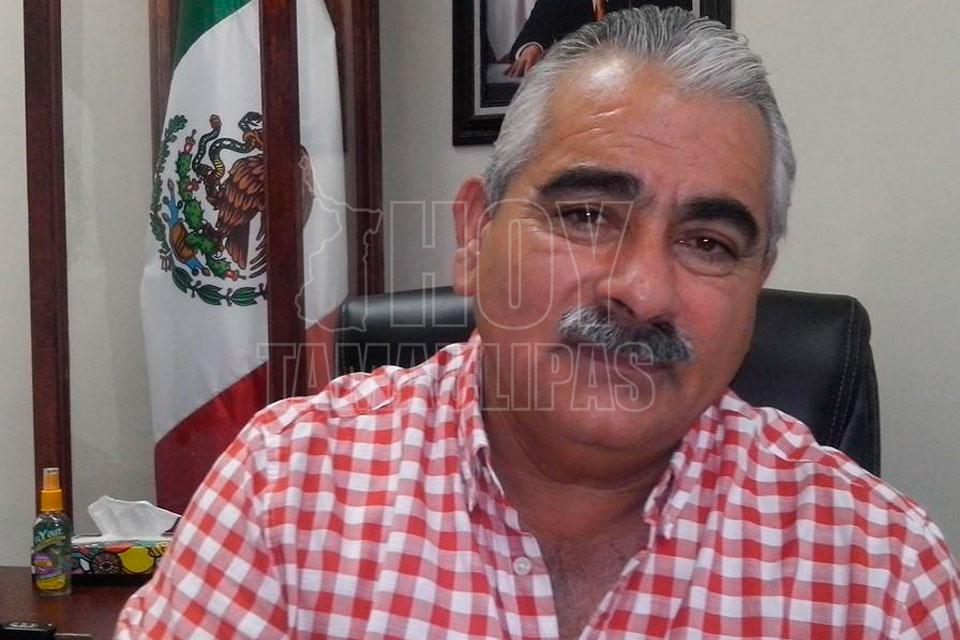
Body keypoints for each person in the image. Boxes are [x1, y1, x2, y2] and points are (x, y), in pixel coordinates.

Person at [116, 7, 960, 639]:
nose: (643, 290)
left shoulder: (879, 571)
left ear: (757, 282)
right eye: (587, 215)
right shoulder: (287, 492)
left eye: (708, 243)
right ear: (474, 238)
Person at [506, 0, 691, 77]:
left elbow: (679, 33)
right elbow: (528, 38)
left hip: (641, 80)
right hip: (576, 86)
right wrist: (531, 47)